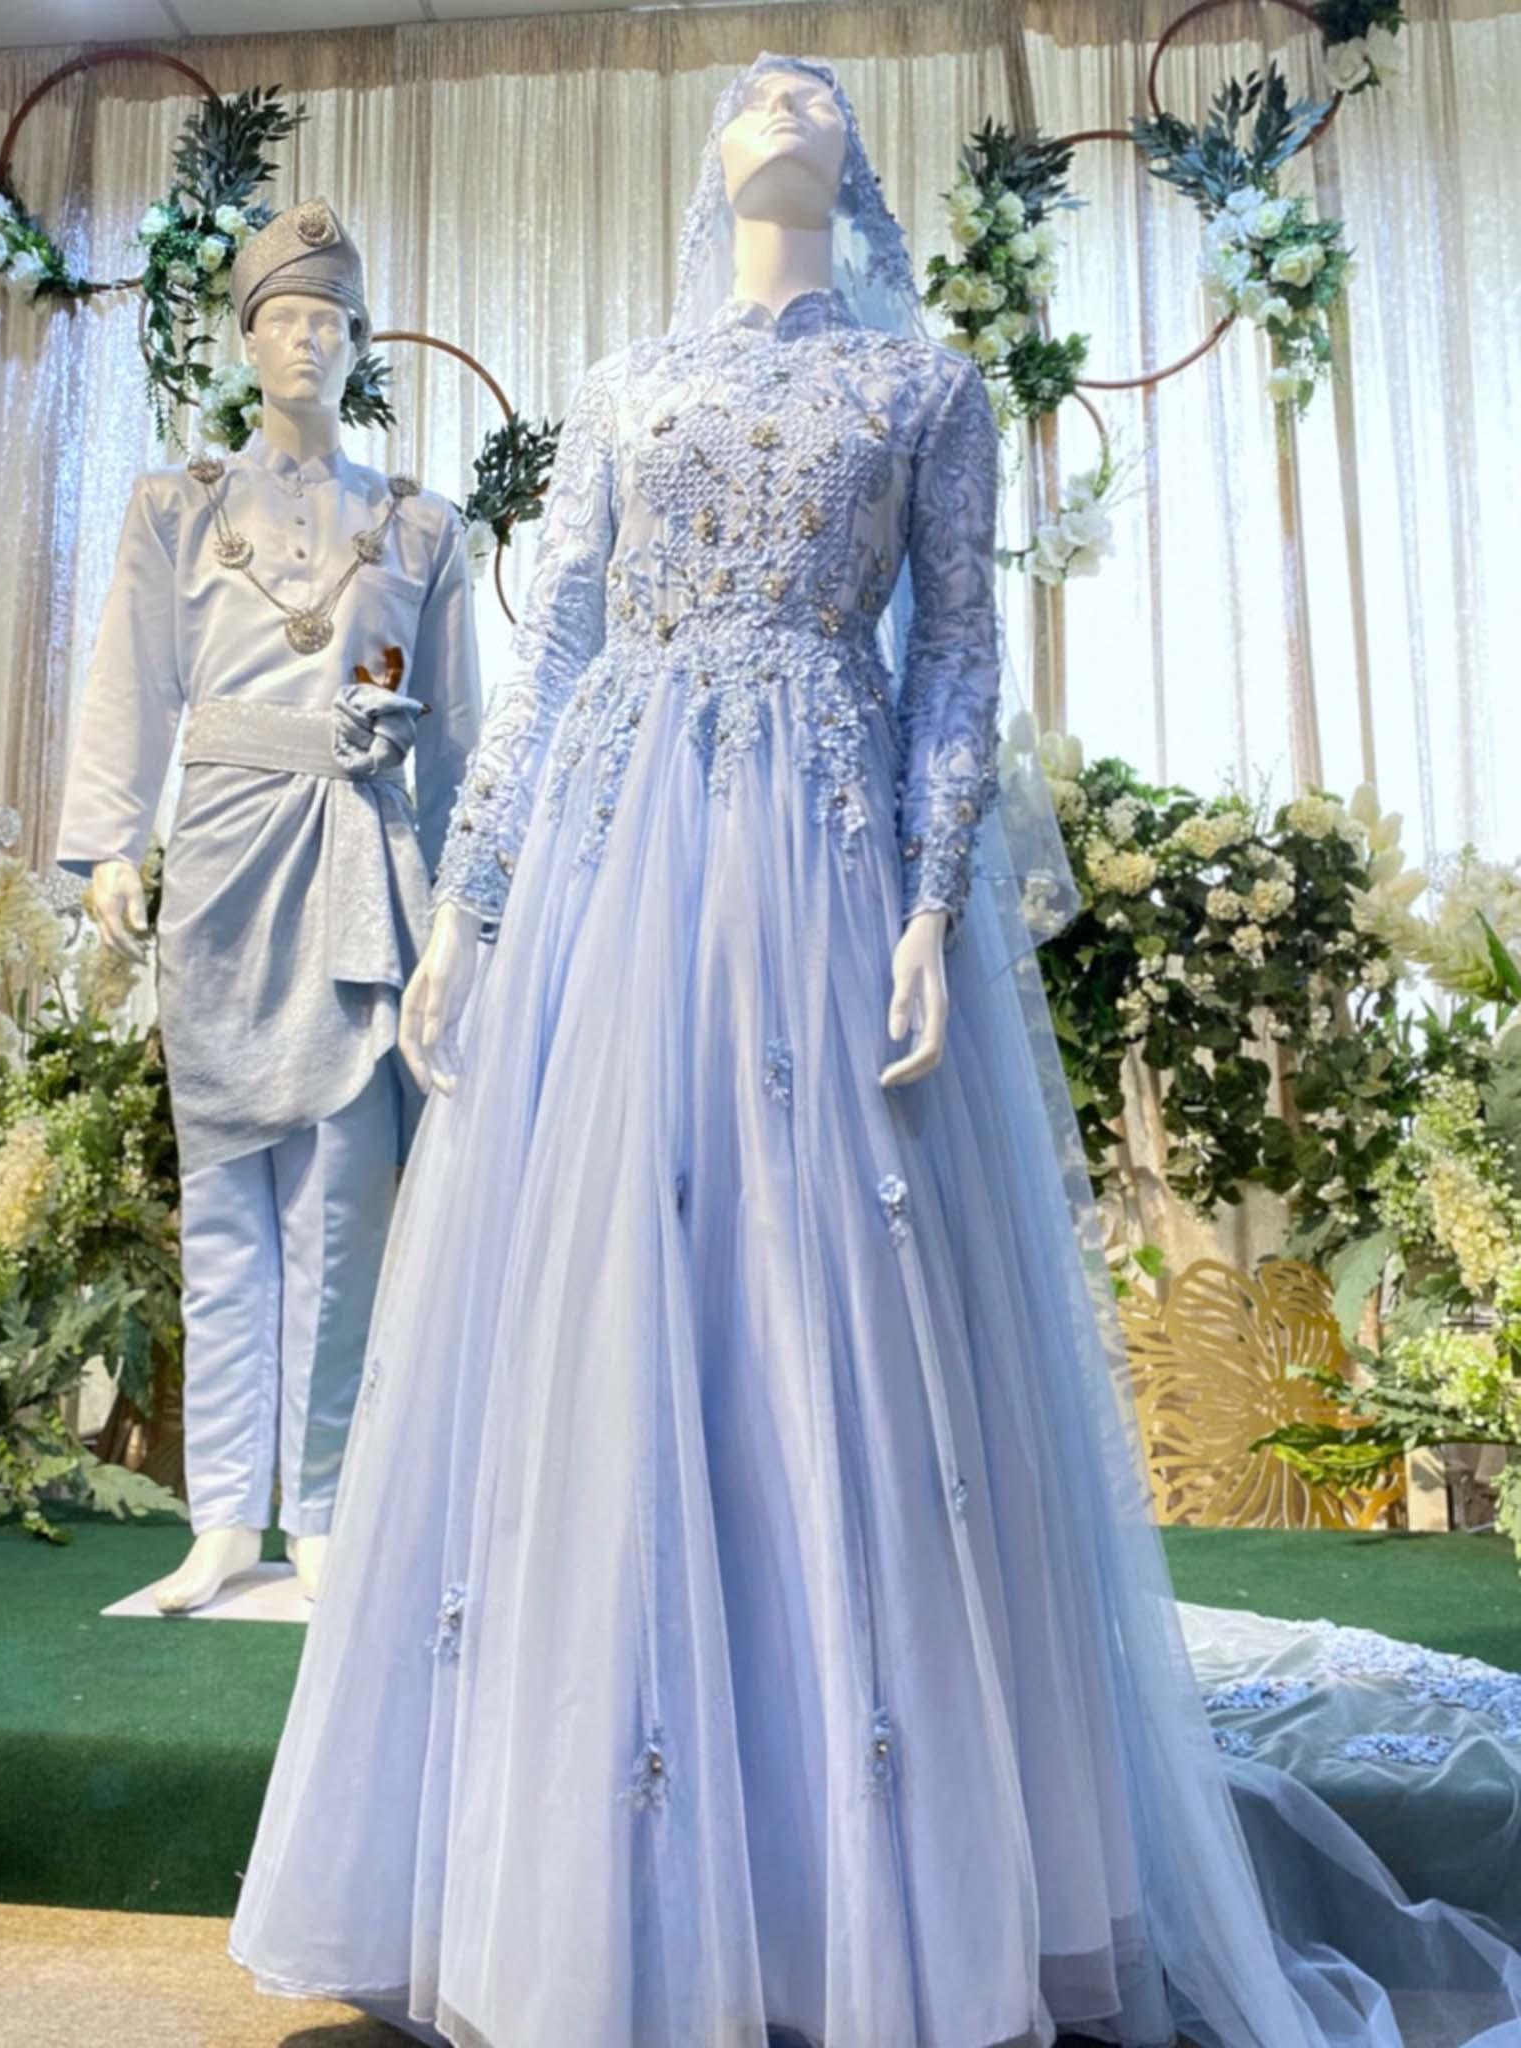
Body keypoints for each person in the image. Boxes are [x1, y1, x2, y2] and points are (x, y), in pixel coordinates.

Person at [230, 61, 1521, 2048]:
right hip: (618, 881)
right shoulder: (628, 384)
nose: (780, 99)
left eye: (810, 90)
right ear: (710, 158)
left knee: (830, 1317)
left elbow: (957, 662)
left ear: (855, 161)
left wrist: (929, 898)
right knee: (616, 1323)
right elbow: (559, 651)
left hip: (826, 879)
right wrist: (472, 907)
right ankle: (600, 1892)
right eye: (752, 92)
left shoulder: (927, 388)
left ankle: (861, 1893)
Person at [56, 199, 482, 1612]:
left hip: (361, 863)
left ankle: (329, 1514)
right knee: (227, 1205)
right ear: (245, 344)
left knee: (346, 1208)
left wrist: (474, 909)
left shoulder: (422, 526)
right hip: (224, 868)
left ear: (361, 344)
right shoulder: (175, 511)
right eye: (281, 320)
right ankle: (227, 1517)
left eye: (329, 321)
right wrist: (109, 847)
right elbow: (130, 684)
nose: (304, 342)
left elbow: (462, 738)